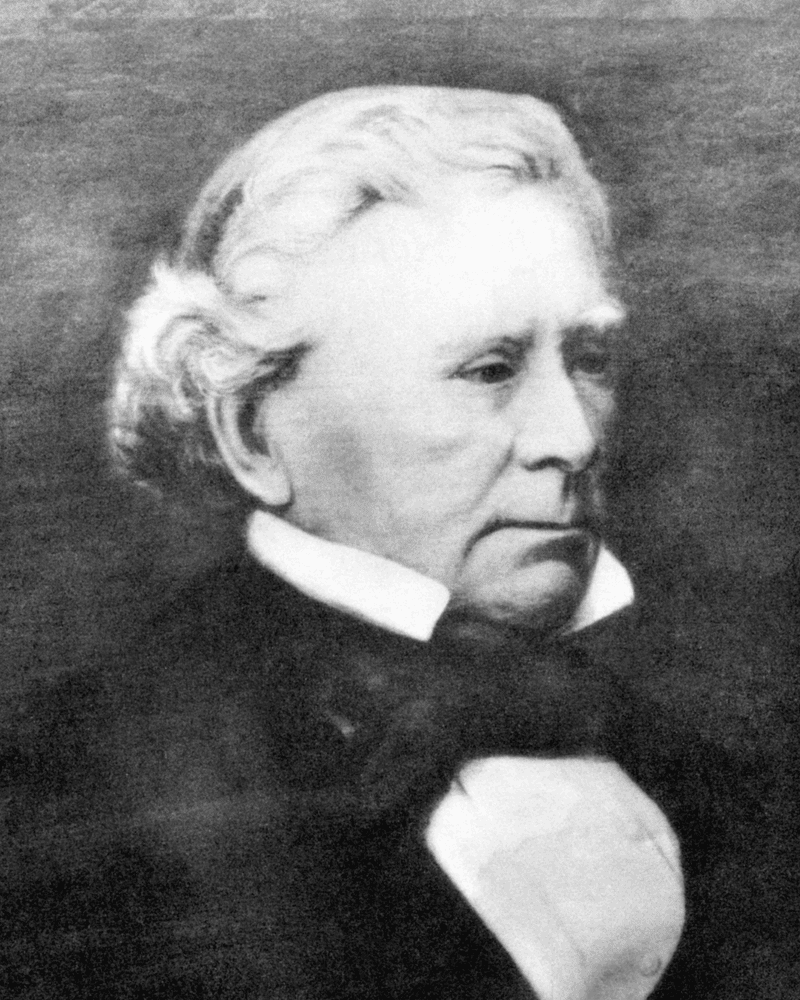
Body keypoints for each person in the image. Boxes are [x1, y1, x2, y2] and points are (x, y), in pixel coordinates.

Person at [2, 86, 795, 1000]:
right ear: (253, 433)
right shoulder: (78, 793)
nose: (572, 438)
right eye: (489, 369)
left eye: (587, 359)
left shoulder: (716, 754)